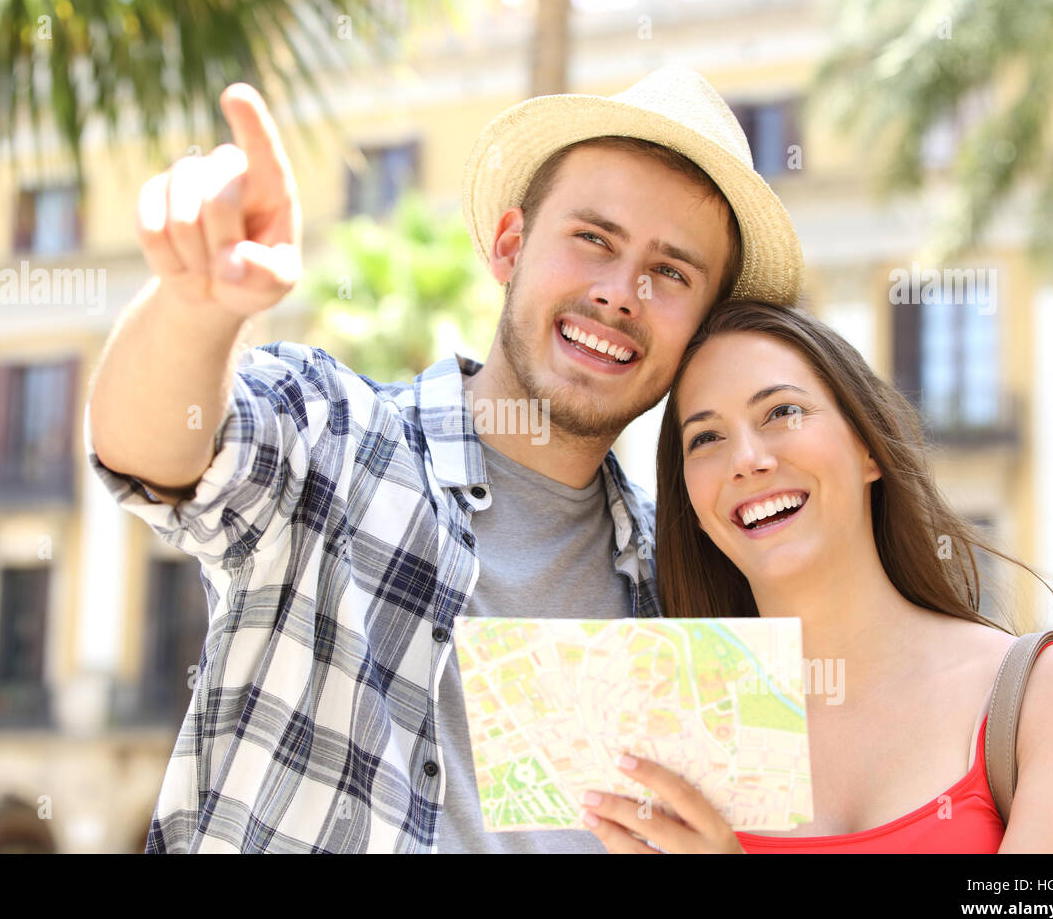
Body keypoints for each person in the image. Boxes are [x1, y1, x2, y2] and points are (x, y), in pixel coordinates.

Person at [83, 66, 804, 852]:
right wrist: (195, 307)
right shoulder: (336, 437)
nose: (620, 294)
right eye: (593, 238)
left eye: (670, 273)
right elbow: (152, 455)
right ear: (508, 247)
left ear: (699, 328)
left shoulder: (692, 585)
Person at [578, 299, 1053, 853]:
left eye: (780, 412)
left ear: (868, 447)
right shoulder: (655, 738)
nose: (745, 458)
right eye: (705, 438)